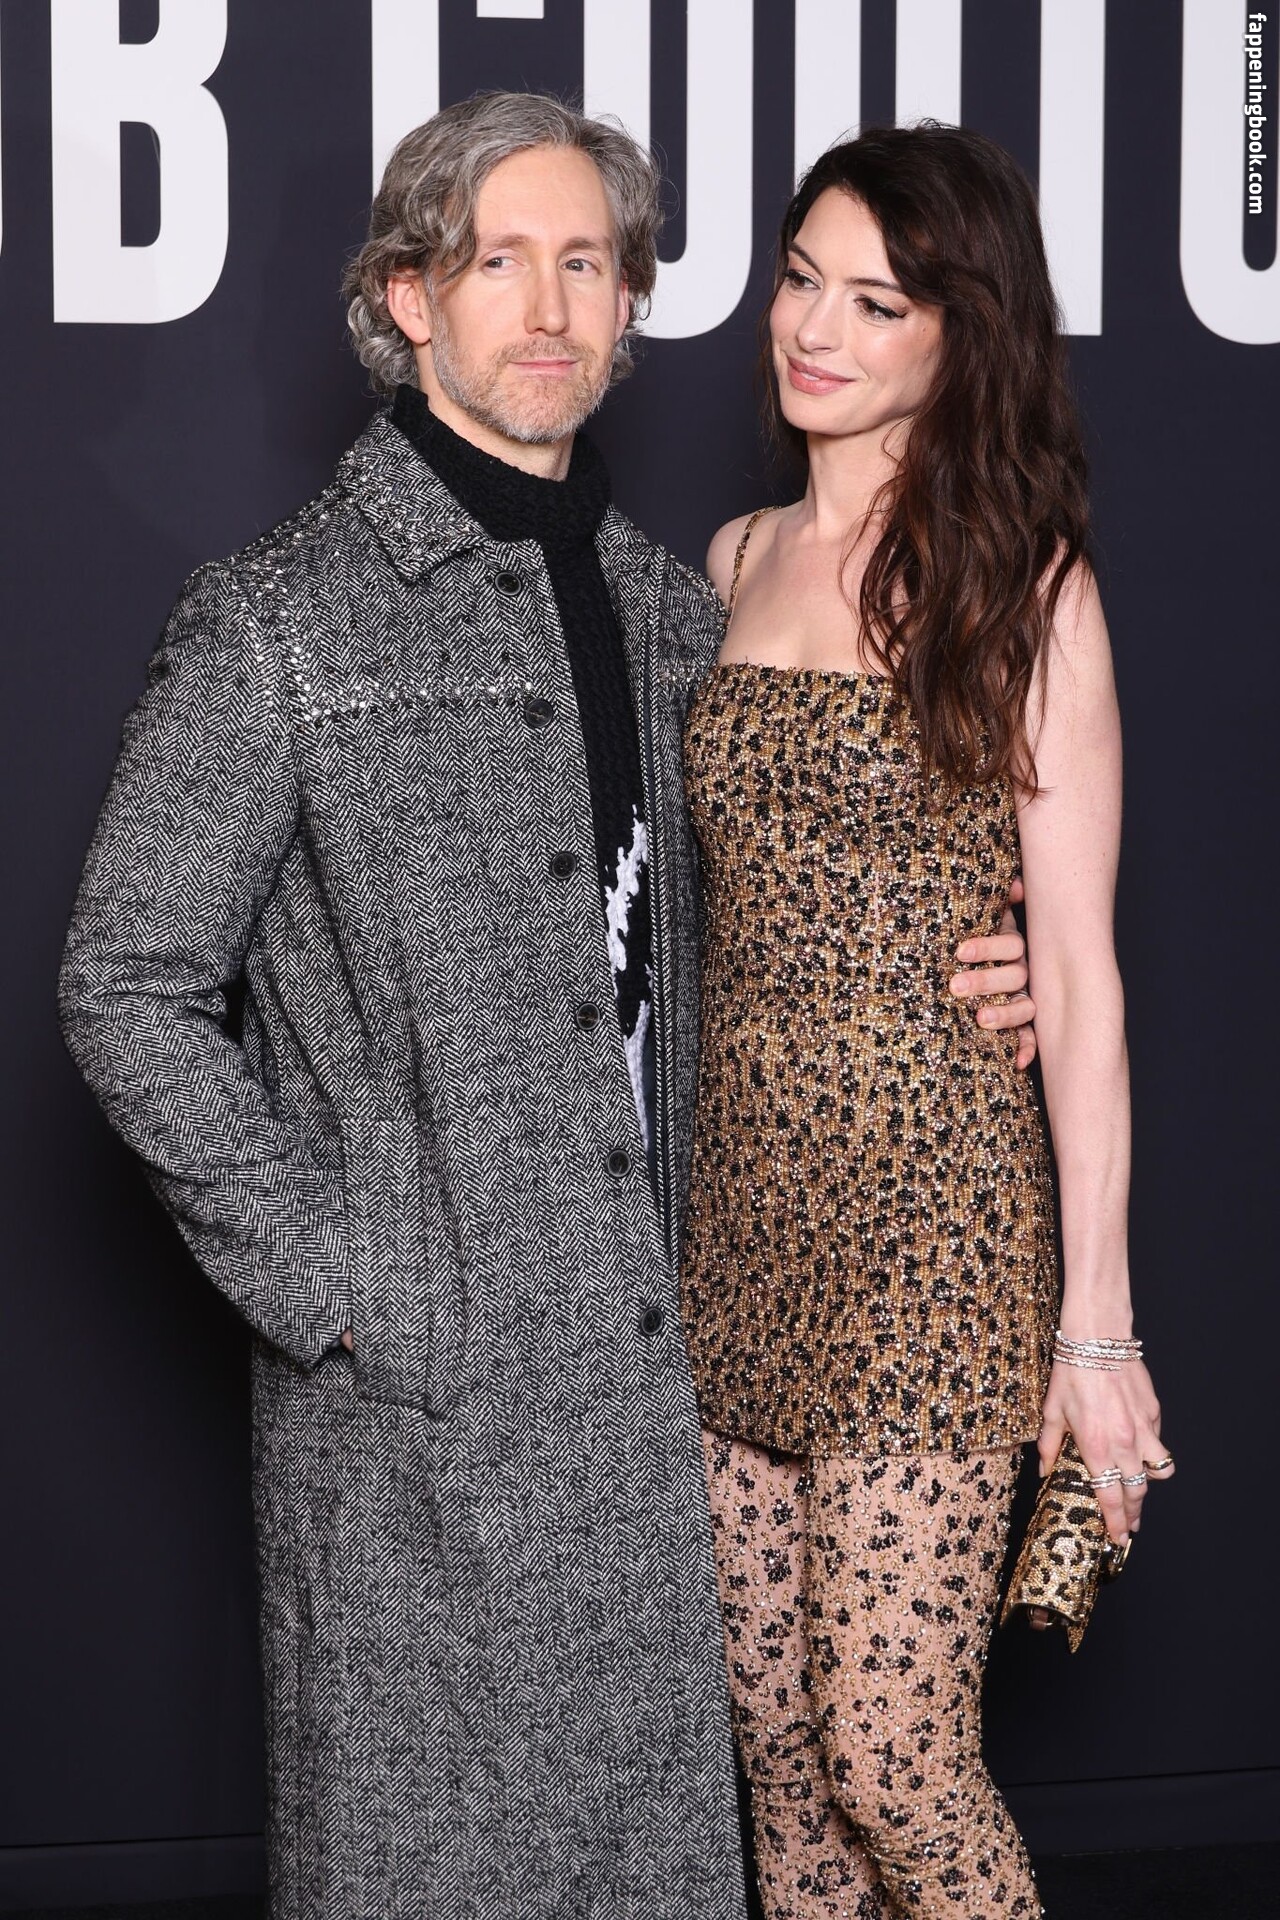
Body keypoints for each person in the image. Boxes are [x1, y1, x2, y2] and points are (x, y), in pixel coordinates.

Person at [58, 92, 1037, 1920]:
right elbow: (126, 981)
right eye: (496, 260)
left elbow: (802, 896)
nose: (549, 306)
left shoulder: (681, 616)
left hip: (663, 1420)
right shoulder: (279, 621)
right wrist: (344, 1282)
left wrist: (999, 958)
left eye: (586, 261)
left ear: (632, 298)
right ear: (406, 297)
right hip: (416, 1447)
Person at [679, 124, 1173, 1920]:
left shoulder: (1024, 587)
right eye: (801, 279)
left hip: (936, 1248)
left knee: (895, 1760)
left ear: (964, 332)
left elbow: (1082, 972)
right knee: (786, 1772)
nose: (814, 329)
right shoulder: (731, 559)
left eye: (876, 302)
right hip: (739, 1242)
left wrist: (1096, 1337)